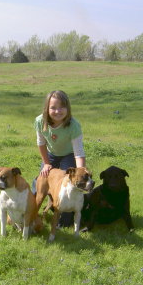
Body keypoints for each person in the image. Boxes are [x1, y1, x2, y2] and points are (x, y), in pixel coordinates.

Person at [33, 90, 86, 227]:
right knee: (40, 181)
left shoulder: (74, 125)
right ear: (47, 108)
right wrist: (46, 163)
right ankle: (30, 214)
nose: (58, 111)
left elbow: (78, 152)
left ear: (68, 108)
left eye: (62, 107)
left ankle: (64, 221)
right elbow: (41, 143)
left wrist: (81, 171)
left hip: (68, 155)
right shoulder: (40, 121)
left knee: (68, 184)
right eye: (53, 107)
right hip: (50, 155)